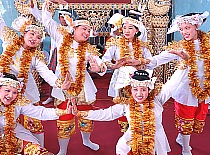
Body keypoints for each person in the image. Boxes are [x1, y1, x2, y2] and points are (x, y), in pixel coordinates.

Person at [0, 0, 69, 148]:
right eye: (32, 34)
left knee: (35, 122)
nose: (34, 39)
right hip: (3, 87)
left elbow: (45, 71)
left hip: (26, 90)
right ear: (24, 33)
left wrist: (59, 83)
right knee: (3, 121)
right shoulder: (9, 38)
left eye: (38, 38)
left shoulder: (36, 55)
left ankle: (39, 148)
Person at [126, 11, 210, 155]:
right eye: (181, 29)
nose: (184, 32)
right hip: (186, 90)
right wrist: (141, 61)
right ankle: (185, 148)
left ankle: (181, 138)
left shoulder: (207, 44)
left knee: (197, 119)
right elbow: (160, 58)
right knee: (186, 120)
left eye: (187, 28)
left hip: (204, 89)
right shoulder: (179, 47)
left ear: (196, 26)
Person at [42, 0, 107, 154]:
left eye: (89, 30)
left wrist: (100, 68)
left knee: (86, 117)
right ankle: (63, 150)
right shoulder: (61, 38)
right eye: (84, 29)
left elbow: (98, 61)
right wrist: (51, 3)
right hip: (63, 87)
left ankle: (87, 140)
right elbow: (46, 20)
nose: (87, 32)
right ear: (74, 28)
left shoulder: (88, 48)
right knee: (64, 119)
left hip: (83, 87)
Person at [77, 68, 188, 155]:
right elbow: (106, 114)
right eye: (135, 89)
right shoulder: (126, 105)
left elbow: (172, 84)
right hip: (132, 144)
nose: (139, 93)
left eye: (143, 90)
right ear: (130, 90)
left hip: (155, 144)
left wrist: (184, 64)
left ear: (149, 90)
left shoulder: (157, 100)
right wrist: (79, 113)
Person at [0, 69, 72, 155]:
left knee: (37, 151)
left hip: (14, 135)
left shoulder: (18, 102)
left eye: (15, 92)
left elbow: (40, 112)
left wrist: (63, 112)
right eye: (7, 90)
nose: (10, 95)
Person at [102, 13, 153, 132]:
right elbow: (105, 60)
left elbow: (151, 63)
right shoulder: (115, 43)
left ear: (137, 30)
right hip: (121, 80)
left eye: (130, 28)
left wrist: (139, 63)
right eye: (124, 27)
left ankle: (137, 130)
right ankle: (126, 132)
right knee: (124, 105)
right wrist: (115, 66)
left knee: (139, 105)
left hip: (139, 80)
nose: (126, 30)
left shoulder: (143, 46)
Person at [30, 0, 72, 105]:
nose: (64, 20)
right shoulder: (55, 28)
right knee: (52, 74)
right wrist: (34, 8)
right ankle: (51, 96)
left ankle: (69, 98)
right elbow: (43, 18)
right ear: (59, 18)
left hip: (71, 57)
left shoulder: (73, 29)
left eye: (66, 17)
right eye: (62, 17)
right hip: (56, 54)